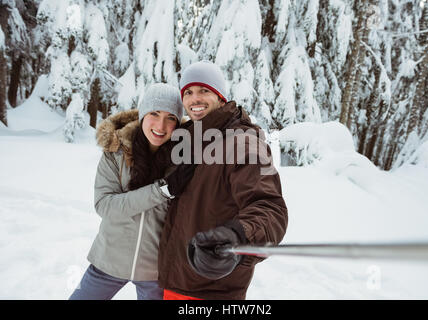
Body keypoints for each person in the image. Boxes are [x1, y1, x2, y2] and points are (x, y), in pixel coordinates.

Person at [157, 61, 289, 300]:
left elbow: (271, 210)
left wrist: (238, 236)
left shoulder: (244, 143)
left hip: (212, 289)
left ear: (220, 96)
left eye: (204, 90)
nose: (194, 99)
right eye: (188, 92)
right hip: (175, 281)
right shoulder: (189, 140)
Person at [69, 83, 190, 300]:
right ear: (143, 114)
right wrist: (162, 190)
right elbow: (105, 206)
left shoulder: (183, 160)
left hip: (154, 271)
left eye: (170, 117)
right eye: (154, 113)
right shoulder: (115, 151)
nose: (161, 125)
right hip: (108, 261)